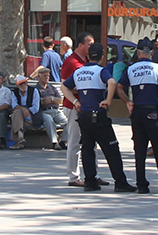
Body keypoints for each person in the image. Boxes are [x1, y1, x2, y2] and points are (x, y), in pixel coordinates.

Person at [65, 43, 134, 192]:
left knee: (87, 149)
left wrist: (75, 101)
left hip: (83, 115)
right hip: (99, 115)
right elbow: (112, 81)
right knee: (112, 148)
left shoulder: (79, 72)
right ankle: (120, 182)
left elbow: (64, 86)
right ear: (102, 57)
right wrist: (108, 100)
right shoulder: (100, 71)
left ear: (88, 56)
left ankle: (90, 182)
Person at [117, 38, 158, 194]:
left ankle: (142, 185)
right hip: (153, 113)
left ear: (138, 52)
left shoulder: (131, 69)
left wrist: (128, 101)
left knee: (140, 150)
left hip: (137, 113)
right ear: (153, 52)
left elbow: (119, 87)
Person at [60, 34, 98, 186]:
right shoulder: (71, 62)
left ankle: (92, 174)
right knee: (74, 141)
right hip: (74, 106)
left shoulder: (86, 62)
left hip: (87, 107)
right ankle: (73, 177)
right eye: (89, 44)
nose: (91, 47)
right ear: (80, 45)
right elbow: (65, 86)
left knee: (91, 142)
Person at [33, 67, 68, 147]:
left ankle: (63, 141)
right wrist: (41, 101)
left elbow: (61, 100)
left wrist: (51, 99)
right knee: (49, 121)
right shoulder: (35, 89)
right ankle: (54, 142)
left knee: (68, 122)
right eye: (44, 76)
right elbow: (33, 102)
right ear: (39, 76)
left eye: (48, 76)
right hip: (44, 111)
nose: (47, 77)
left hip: (56, 111)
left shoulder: (52, 88)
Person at [8, 74, 41, 149]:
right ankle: (20, 136)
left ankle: (18, 140)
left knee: (15, 115)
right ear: (17, 86)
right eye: (21, 84)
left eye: (25, 83)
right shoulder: (15, 92)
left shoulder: (34, 91)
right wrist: (23, 109)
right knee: (17, 113)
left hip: (32, 117)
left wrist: (27, 110)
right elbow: (14, 105)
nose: (23, 85)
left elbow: (36, 108)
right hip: (20, 116)